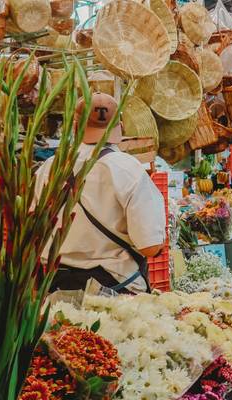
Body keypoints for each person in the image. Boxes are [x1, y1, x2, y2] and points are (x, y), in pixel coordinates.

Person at [37, 93, 167, 294]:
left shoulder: (49, 168)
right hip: (115, 290)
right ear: (120, 126)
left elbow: (32, 230)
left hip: (57, 288)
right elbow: (149, 246)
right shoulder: (129, 169)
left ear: (75, 126)